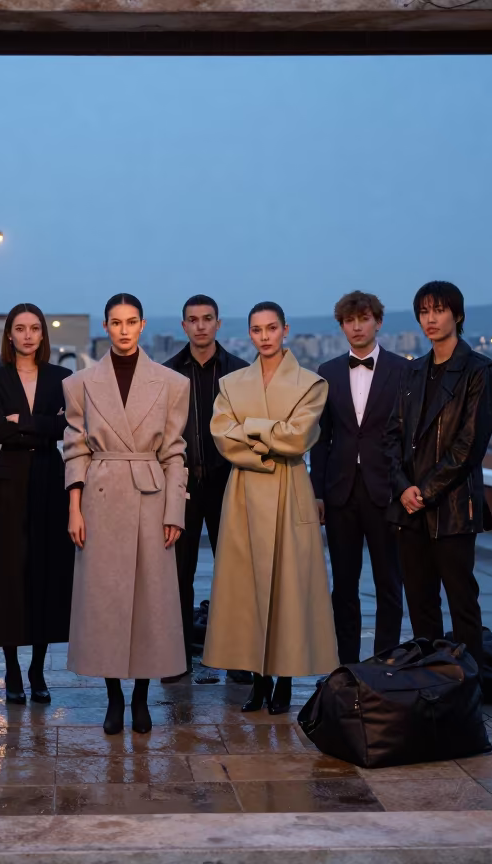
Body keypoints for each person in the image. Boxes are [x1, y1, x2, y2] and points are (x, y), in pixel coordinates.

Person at [202, 301, 339, 715]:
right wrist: (269, 437)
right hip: (244, 490)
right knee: (246, 590)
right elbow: (223, 438)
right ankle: (257, 680)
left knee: (288, 586)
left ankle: (283, 681)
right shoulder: (232, 383)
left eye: (272, 328)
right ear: (249, 334)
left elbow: (298, 440)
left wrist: (251, 429)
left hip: (288, 489)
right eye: (257, 330)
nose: (265, 336)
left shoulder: (311, 383)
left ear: (285, 330)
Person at [63, 293, 190, 735]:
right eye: (115, 322)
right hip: (100, 498)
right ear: (105, 325)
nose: (122, 329)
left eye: (131, 321)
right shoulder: (80, 382)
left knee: (149, 604)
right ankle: (114, 697)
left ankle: (141, 698)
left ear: (142, 325)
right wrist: (74, 509)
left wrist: (175, 510)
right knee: (106, 603)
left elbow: (175, 452)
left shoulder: (172, 383)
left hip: (152, 498)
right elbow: (75, 448)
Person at [384, 281, 492, 667]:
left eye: (438, 310)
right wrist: (404, 489)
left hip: (452, 507)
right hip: (410, 508)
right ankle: (429, 691)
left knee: (462, 604)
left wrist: (425, 490)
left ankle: (469, 687)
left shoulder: (481, 370)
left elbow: (470, 445)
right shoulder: (412, 372)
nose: (430, 319)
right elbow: (392, 437)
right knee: (420, 606)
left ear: (458, 315)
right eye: (423, 312)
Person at [0, 303, 75, 705]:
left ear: (42, 335)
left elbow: (67, 425)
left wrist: (23, 422)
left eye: (35, 328)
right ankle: (13, 668)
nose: (28, 335)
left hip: (52, 480)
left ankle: (37, 669)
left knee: (45, 575)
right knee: (7, 576)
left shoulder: (63, 378)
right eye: (20, 328)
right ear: (9, 335)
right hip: (7, 485)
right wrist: (39, 424)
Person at [310, 291, 407, 665]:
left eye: (363, 319)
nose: (356, 326)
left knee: (389, 585)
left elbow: (408, 436)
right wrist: (317, 492)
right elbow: (321, 439)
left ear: (378, 322)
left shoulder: (402, 370)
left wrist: (403, 487)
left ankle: (385, 668)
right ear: (342, 326)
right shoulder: (328, 372)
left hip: (388, 493)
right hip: (341, 493)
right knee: (344, 588)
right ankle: (346, 668)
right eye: (349, 321)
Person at [161, 294, 248, 683]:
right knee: (178, 572)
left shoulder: (239, 372)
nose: (200, 325)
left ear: (218, 323)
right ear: (184, 326)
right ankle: (176, 658)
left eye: (207, 319)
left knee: (234, 572)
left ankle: (239, 657)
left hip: (228, 482)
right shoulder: (167, 374)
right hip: (182, 483)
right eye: (192, 320)